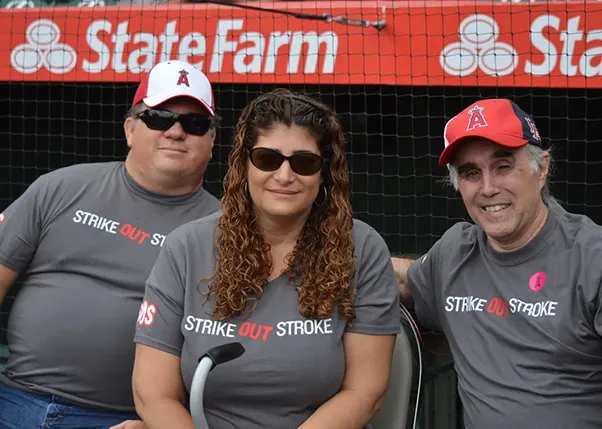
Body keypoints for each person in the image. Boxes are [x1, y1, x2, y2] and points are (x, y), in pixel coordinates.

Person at [132, 89, 401, 429]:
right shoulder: (186, 247)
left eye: (304, 162)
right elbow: (153, 394)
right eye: (267, 159)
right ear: (244, 164)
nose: (285, 176)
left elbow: (364, 391)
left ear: (324, 173)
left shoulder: (361, 247)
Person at [0, 59, 221, 429]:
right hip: (13, 397)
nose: (176, 132)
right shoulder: (59, 187)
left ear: (212, 142)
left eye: (195, 124)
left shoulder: (226, 229)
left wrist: (157, 420)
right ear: (130, 129)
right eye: (160, 117)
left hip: (123, 420)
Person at [392, 98, 602, 429]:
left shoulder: (592, 257)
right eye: (471, 173)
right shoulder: (455, 253)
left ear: (541, 168)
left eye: (503, 166)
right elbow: (402, 280)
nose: (488, 188)